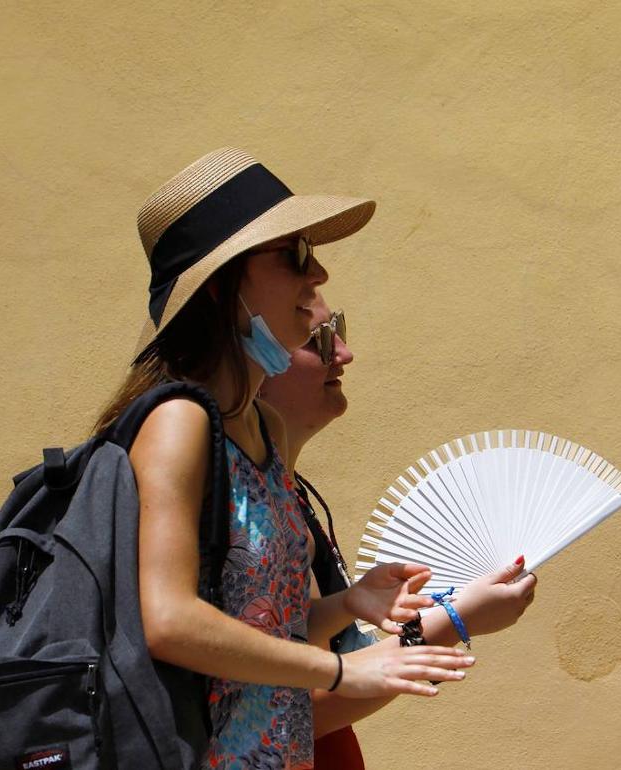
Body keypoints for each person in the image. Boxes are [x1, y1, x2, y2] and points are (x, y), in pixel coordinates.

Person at [93, 148, 476, 769]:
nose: (318, 274)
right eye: (294, 254)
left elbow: (255, 621)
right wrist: (339, 670)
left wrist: (346, 606)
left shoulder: (263, 429)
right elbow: (167, 620)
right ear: (222, 286)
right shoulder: (178, 423)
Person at [259, 296, 540, 768]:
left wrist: (347, 606)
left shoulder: (287, 493)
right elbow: (299, 709)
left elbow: (299, 646)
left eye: (339, 329)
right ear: (254, 362)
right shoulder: (250, 511)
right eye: (318, 338)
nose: (343, 354)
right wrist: (454, 620)